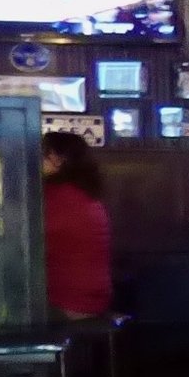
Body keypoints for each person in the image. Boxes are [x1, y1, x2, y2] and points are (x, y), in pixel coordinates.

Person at [42, 130, 115, 319]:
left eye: (40, 154)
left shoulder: (57, 196)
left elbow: (22, 236)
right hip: (94, 299)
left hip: (69, 302)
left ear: (55, 159)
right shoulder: (84, 193)